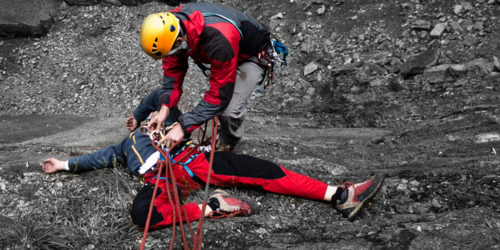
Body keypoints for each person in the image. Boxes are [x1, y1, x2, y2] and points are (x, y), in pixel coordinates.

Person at [41, 89, 384, 229]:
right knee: (142, 215)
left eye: (152, 121)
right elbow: (92, 160)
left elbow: (163, 93)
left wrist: (147, 112)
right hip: (162, 178)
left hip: (193, 161)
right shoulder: (120, 148)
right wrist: (62, 165)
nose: (150, 124)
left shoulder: (169, 119)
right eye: (146, 123)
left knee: (261, 171)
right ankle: (213, 209)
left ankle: (340, 196)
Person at [139, 2, 276, 151]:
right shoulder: (170, 29)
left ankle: (227, 143)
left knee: (229, 107)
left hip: (252, 55)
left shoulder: (220, 38)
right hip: (228, 49)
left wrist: (183, 126)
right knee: (217, 98)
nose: (170, 57)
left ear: (179, 41)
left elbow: (220, 95)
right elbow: (173, 72)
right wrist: (165, 108)